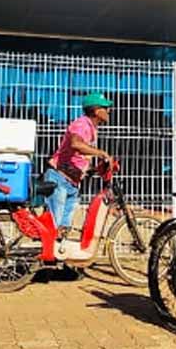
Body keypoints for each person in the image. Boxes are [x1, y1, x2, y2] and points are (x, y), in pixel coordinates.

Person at [46, 92, 114, 239]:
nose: (109, 111)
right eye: (106, 107)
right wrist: (101, 153)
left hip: (71, 181)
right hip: (60, 179)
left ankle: (58, 256)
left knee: (64, 227)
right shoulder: (82, 124)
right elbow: (76, 144)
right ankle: (46, 257)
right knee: (54, 226)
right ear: (96, 110)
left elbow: (80, 156)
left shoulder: (91, 128)